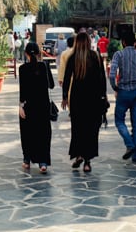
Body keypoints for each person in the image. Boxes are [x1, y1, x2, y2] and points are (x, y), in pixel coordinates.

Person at [61, 32, 107, 172]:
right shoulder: (95, 57)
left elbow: (67, 79)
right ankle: (87, 162)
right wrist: (103, 97)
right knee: (91, 130)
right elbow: (102, 79)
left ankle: (78, 155)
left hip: (77, 99)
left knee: (78, 129)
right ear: (88, 42)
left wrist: (64, 97)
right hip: (93, 99)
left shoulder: (72, 58)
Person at [108, 32, 136, 163]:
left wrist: (115, 87)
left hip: (123, 92)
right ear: (134, 42)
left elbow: (112, 74)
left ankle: (129, 144)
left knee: (119, 121)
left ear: (123, 42)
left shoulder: (118, 55)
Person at [19, 42, 54, 173]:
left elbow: (23, 90)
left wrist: (21, 106)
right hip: (43, 105)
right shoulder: (44, 66)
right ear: (39, 53)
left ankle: (27, 160)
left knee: (27, 132)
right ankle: (43, 162)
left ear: (26, 54)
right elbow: (51, 85)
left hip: (29, 105)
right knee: (43, 133)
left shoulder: (22, 69)